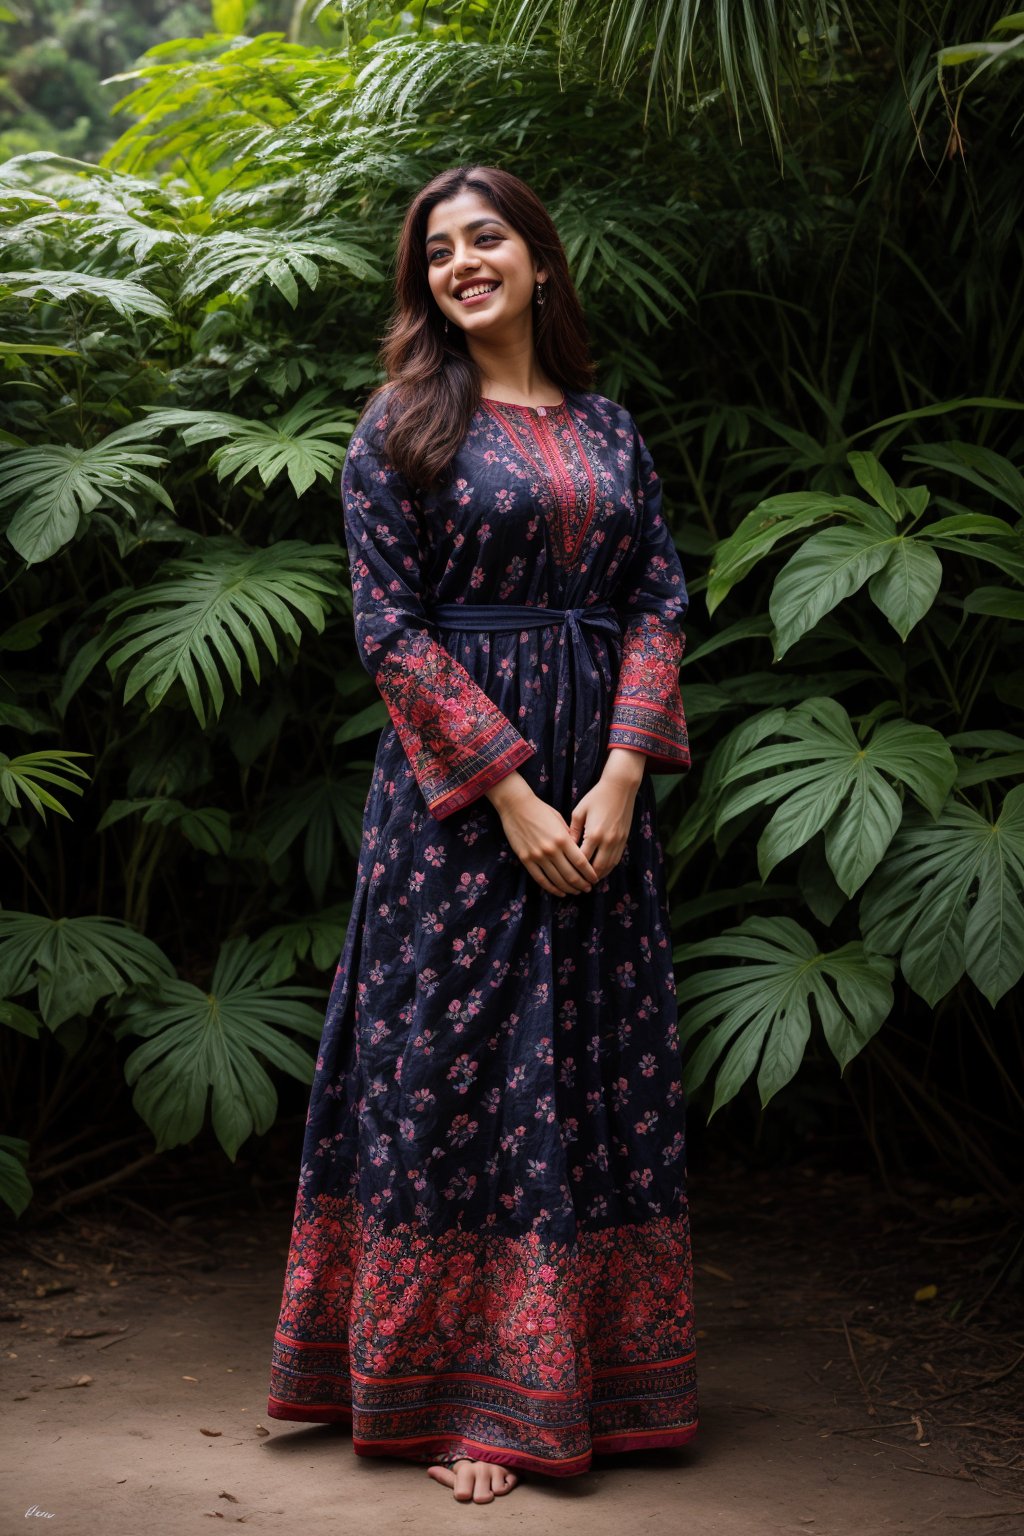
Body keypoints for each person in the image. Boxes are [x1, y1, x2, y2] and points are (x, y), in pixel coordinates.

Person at [266, 164, 698, 1505]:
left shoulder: (613, 429)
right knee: (457, 1078)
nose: (462, 261)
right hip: (457, 816)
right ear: (425, 284)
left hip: (598, 808)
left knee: (585, 1065)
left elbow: (661, 602)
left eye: (486, 238)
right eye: (438, 250)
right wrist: (510, 795)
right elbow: (390, 632)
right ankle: (463, 1401)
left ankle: (593, 1384)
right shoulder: (400, 426)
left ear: (540, 262)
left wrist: (622, 777)